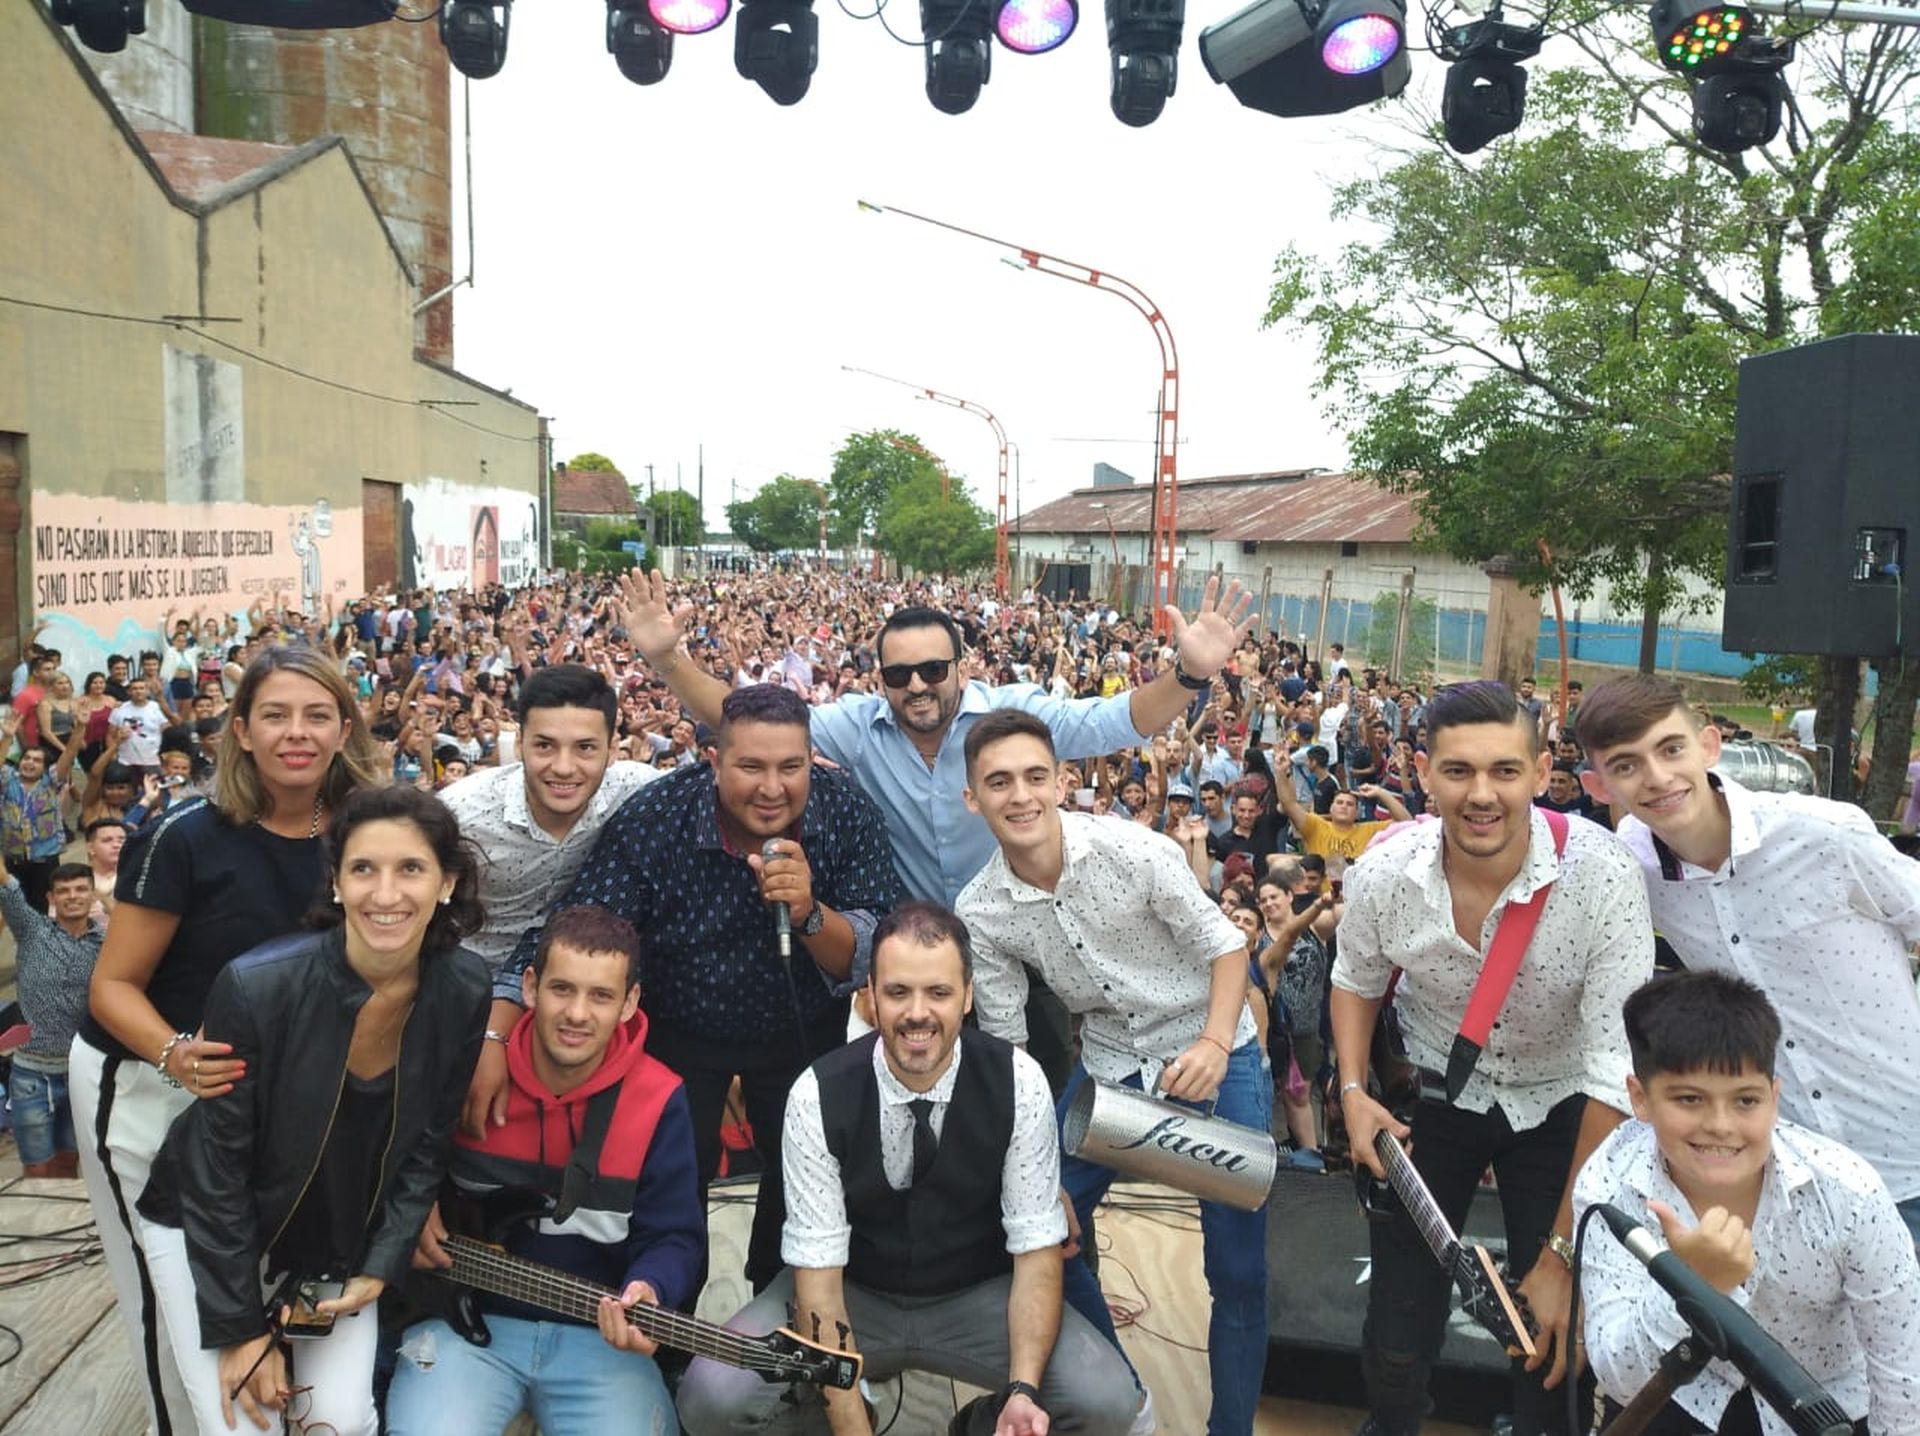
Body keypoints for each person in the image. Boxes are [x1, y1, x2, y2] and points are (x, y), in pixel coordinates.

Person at [675, 901, 1137, 1436]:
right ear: (871, 995)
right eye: (898, 992)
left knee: (1107, 1401)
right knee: (710, 1397)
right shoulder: (816, 1094)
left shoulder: (1020, 1081)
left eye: (938, 992)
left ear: (968, 995)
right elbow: (818, 1279)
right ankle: (837, 1414)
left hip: (979, 1291)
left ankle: (982, 1424)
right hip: (852, 1290)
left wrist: (1023, 1391)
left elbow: (1037, 1253)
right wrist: (851, 1426)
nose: (918, 1013)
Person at [71, 645, 384, 1434]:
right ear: (240, 730)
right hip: (147, 1078)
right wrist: (175, 1054)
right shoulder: (186, 835)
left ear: (345, 727)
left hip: (265, 1092)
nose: (296, 733)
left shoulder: (362, 831)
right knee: (156, 1291)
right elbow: (112, 986)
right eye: (275, 715)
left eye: (317, 715)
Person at [1332, 681, 1655, 1436]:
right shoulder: (1383, 873)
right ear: (1422, 771)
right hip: (1435, 1095)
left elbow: (1614, 1070)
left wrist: (1562, 1254)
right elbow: (1356, 978)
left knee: (1549, 1340)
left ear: (1541, 772)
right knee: (1396, 1332)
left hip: (1568, 1104)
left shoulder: (1604, 877)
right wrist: (1350, 1088)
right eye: (1458, 771)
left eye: (1505, 771)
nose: (1482, 795)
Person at [501, 683, 902, 1289]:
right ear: (714, 762)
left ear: (812, 761)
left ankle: (783, 1310)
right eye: (751, 767)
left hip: (800, 1027)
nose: (773, 788)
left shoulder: (847, 811)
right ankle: (664, 1315)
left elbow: (872, 951)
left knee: (804, 1184)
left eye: (791, 767)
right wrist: (498, 1027)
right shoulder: (656, 818)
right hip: (678, 1032)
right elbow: (583, 930)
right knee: (671, 1187)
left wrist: (809, 914)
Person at [134, 785, 490, 1436]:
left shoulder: (464, 989)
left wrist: (382, 1262)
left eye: (411, 868)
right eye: (364, 868)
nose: (386, 893)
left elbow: (427, 1146)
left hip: (331, 1236)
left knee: (341, 1422)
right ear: (336, 882)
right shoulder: (256, 986)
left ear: (446, 883)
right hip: (206, 1225)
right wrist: (242, 1328)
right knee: (245, 1427)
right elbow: (218, 1173)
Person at [955, 710, 1270, 1436]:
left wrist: (1216, 1044)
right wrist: (1029, 1170)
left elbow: (1227, 947)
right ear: (973, 799)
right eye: (998, 783)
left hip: (1214, 1053)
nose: (1020, 796)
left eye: (1034, 777)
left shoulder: (1135, 851)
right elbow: (1008, 1050)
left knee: (1238, 1272)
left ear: (1061, 782)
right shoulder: (981, 909)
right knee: (1040, 1225)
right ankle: (1128, 1398)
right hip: (1110, 1068)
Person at [1574, 673, 1920, 1247]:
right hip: (1791, 1173)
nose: (1656, 777)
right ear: (1598, 785)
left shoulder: (1824, 835)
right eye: (1626, 765)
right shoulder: (1632, 868)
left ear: (1709, 746)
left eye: (1671, 749)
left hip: (1906, 1145)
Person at [390, 905, 703, 1436]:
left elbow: (674, 1234)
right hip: (460, 1330)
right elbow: (388, 1158)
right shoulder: (469, 1071)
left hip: (596, 1336)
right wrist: (409, 1208)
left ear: (630, 1003)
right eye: (562, 989)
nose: (577, 1014)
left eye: (600, 995)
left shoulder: (659, 1098)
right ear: (530, 987)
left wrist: (651, 1287)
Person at [1574, 971, 1920, 1434]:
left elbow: (1903, 1372)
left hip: (1825, 1401)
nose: (1720, 1125)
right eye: (1689, 1099)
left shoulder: (1848, 1193)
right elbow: (1621, 1378)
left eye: (1745, 1101)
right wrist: (1693, 1288)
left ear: (1774, 1098)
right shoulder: (1610, 1183)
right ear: (1640, 1098)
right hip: (1685, 1393)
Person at [440, 665, 663, 1138]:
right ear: (518, 743)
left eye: (585, 748)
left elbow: (728, 769)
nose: (564, 768)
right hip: (461, 994)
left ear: (612, 748)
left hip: (570, 993)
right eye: (544, 746)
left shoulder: (636, 791)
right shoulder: (461, 815)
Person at [1, 862, 105, 1177]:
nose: (72, 896)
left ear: (92, 895)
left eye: (80, 889)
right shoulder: (32, 930)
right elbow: (6, 885)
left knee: (69, 1161)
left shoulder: (106, 945)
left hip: (79, 1071)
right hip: (31, 1075)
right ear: (51, 898)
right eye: (63, 891)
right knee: (37, 1168)